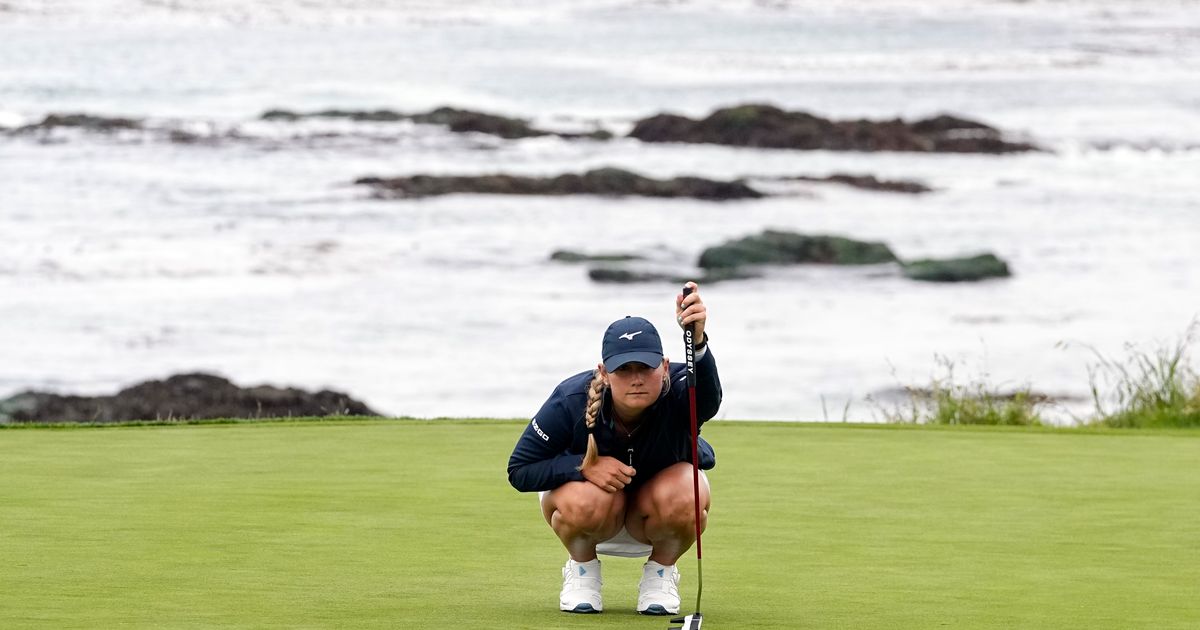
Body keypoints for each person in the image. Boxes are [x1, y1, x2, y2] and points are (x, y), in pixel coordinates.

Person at [507, 282, 722, 615]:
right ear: (604, 373)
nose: (635, 378)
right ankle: (582, 572)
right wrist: (583, 467)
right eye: (624, 369)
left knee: (687, 486)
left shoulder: (683, 390)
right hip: (593, 516)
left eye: (645, 368)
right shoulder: (570, 400)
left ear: (665, 367)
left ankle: (660, 575)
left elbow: (707, 401)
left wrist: (698, 343)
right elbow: (519, 470)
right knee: (586, 495)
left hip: (655, 516)